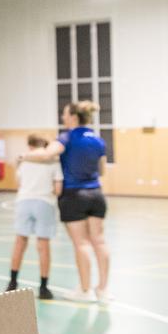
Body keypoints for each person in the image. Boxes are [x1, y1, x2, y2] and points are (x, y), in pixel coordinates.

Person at [26, 101, 110, 302]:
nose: (63, 118)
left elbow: (47, 153)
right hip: (97, 195)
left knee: (81, 243)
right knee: (99, 241)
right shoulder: (98, 141)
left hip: (74, 196)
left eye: (64, 114)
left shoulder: (66, 138)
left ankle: (84, 289)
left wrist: (25, 156)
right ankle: (103, 290)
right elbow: (102, 171)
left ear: (73, 117)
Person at [6, 134, 62, 300]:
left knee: (20, 242)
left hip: (24, 202)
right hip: (45, 202)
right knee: (43, 245)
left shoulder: (24, 161)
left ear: (29, 145)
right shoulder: (54, 161)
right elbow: (58, 189)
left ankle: (12, 282)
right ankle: (44, 288)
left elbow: (19, 184)